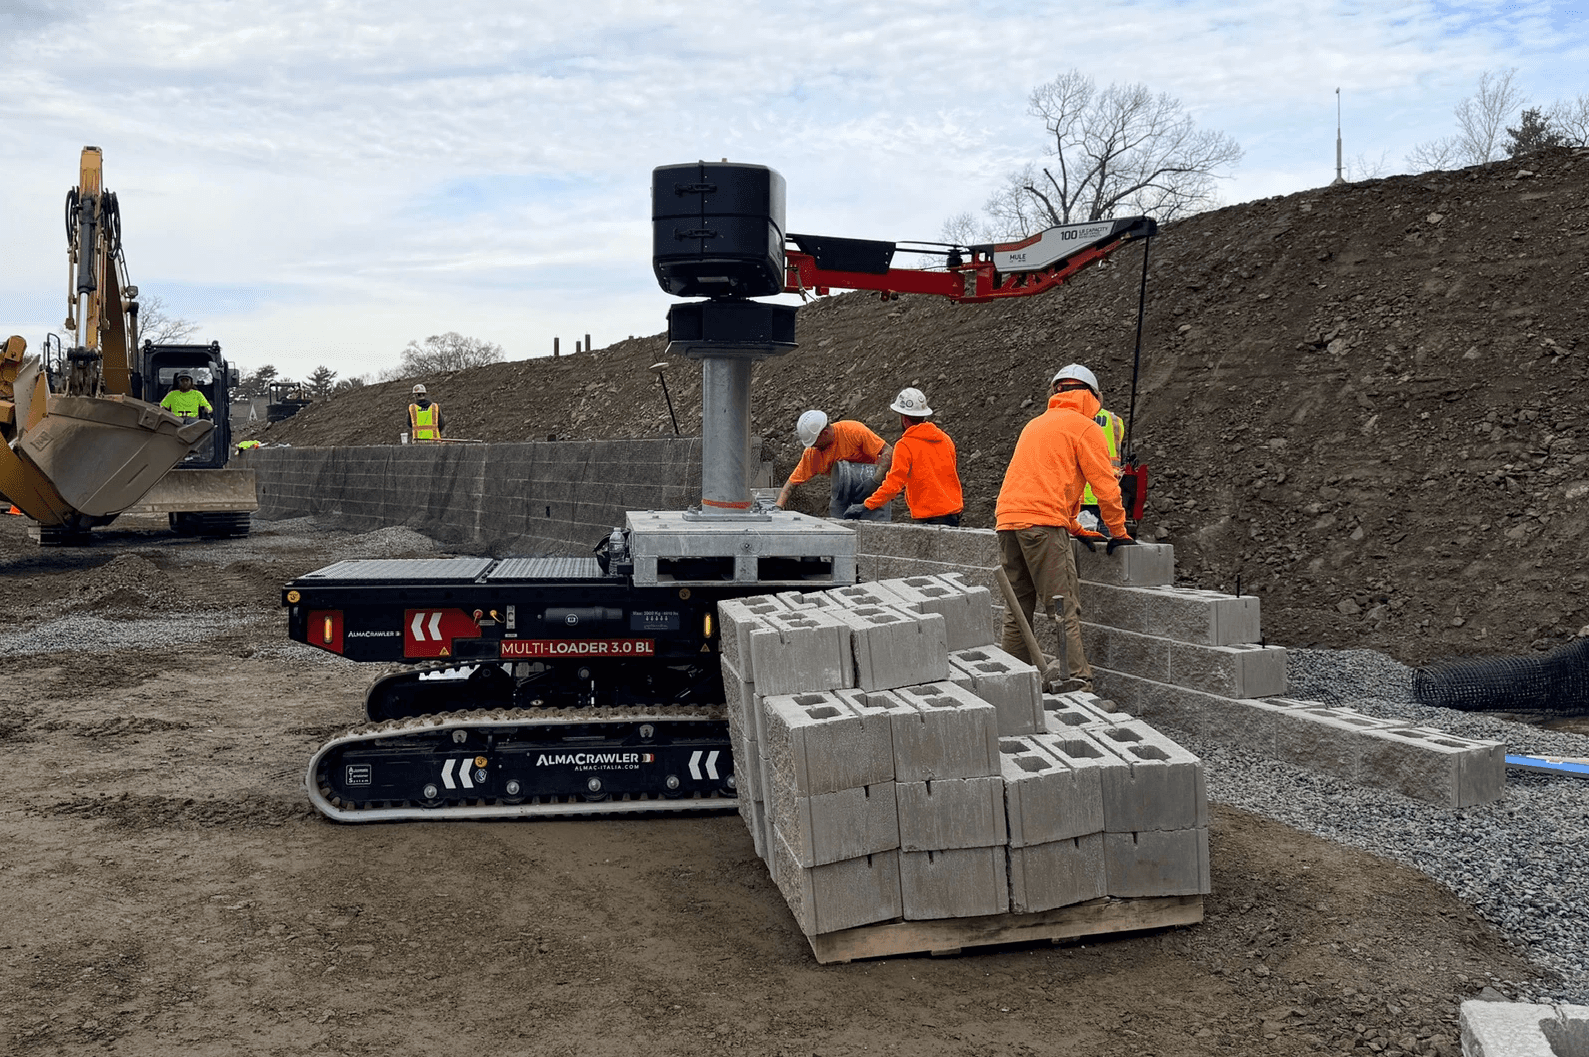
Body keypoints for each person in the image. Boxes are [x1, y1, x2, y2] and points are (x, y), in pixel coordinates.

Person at [994, 363, 1134, 692]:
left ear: (1055, 394)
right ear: (1093, 397)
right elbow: (1105, 488)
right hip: (1042, 526)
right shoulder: (1086, 429)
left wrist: (1074, 525)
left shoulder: (1036, 425)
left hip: (1007, 522)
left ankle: (1013, 684)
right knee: (1062, 605)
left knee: (1017, 608)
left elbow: (1047, 483)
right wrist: (1119, 532)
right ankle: (1078, 684)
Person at [849, 387, 963, 525]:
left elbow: (894, 484)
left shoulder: (905, 445)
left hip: (929, 517)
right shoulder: (945, 439)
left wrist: (867, 505)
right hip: (952, 514)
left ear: (903, 418)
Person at [775, 410, 893, 520]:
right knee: (840, 528)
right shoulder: (813, 455)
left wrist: (875, 480)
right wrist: (778, 508)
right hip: (842, 494)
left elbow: (888, 450)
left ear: (825, 433)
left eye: (815, 443)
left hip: (872, 490)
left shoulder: (852, 431)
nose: (814, 447)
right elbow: (791, 485)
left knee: (876, 531)